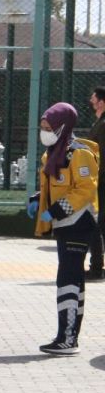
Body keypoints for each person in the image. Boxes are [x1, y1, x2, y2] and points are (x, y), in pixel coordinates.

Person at [28, 102, 99, 355]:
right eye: (43, 127)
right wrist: (39, 198)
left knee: (69, 279)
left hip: (78, 223)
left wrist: (56, 210)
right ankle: (68, 336)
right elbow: (54, 183)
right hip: (64, 224)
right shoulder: (54, 152)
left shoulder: (80, 154)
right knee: (71, 278)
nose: (44, 131)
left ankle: (67, 338)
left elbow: (85, 188)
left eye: (49, 127)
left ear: (62, 126)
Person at [87, 86, 105, 281]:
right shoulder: (100, 122)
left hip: (101, 181)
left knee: (96, 224)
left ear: (101, 102)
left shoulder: (103, 124)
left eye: (93, 100)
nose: (92, 103)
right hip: (100, 179)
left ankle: (96, 267)